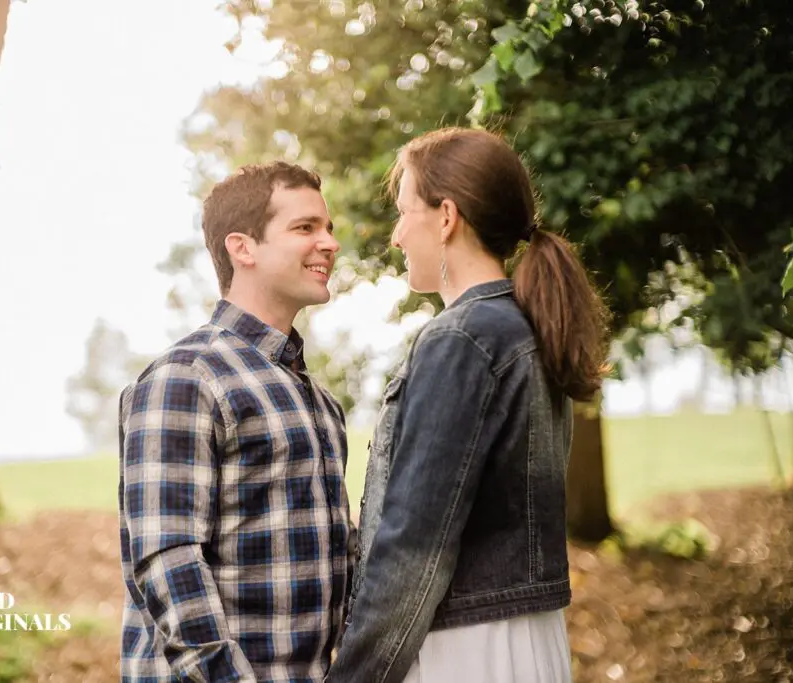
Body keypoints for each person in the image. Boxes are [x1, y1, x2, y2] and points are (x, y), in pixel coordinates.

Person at [327, 127, 610, 683]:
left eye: (406, 212)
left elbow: (414, 547)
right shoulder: (527, 328)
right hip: (529, 640)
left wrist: (354, 675)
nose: (397, 234)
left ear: (447, 217)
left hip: (466, 650)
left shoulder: (462, 339)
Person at [119, 161, 353, 682]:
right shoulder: (188, 376)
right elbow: (167, 559)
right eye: (305, 228)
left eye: (329, 228)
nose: (330, 244)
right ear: (242, 248)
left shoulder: (317, 400)